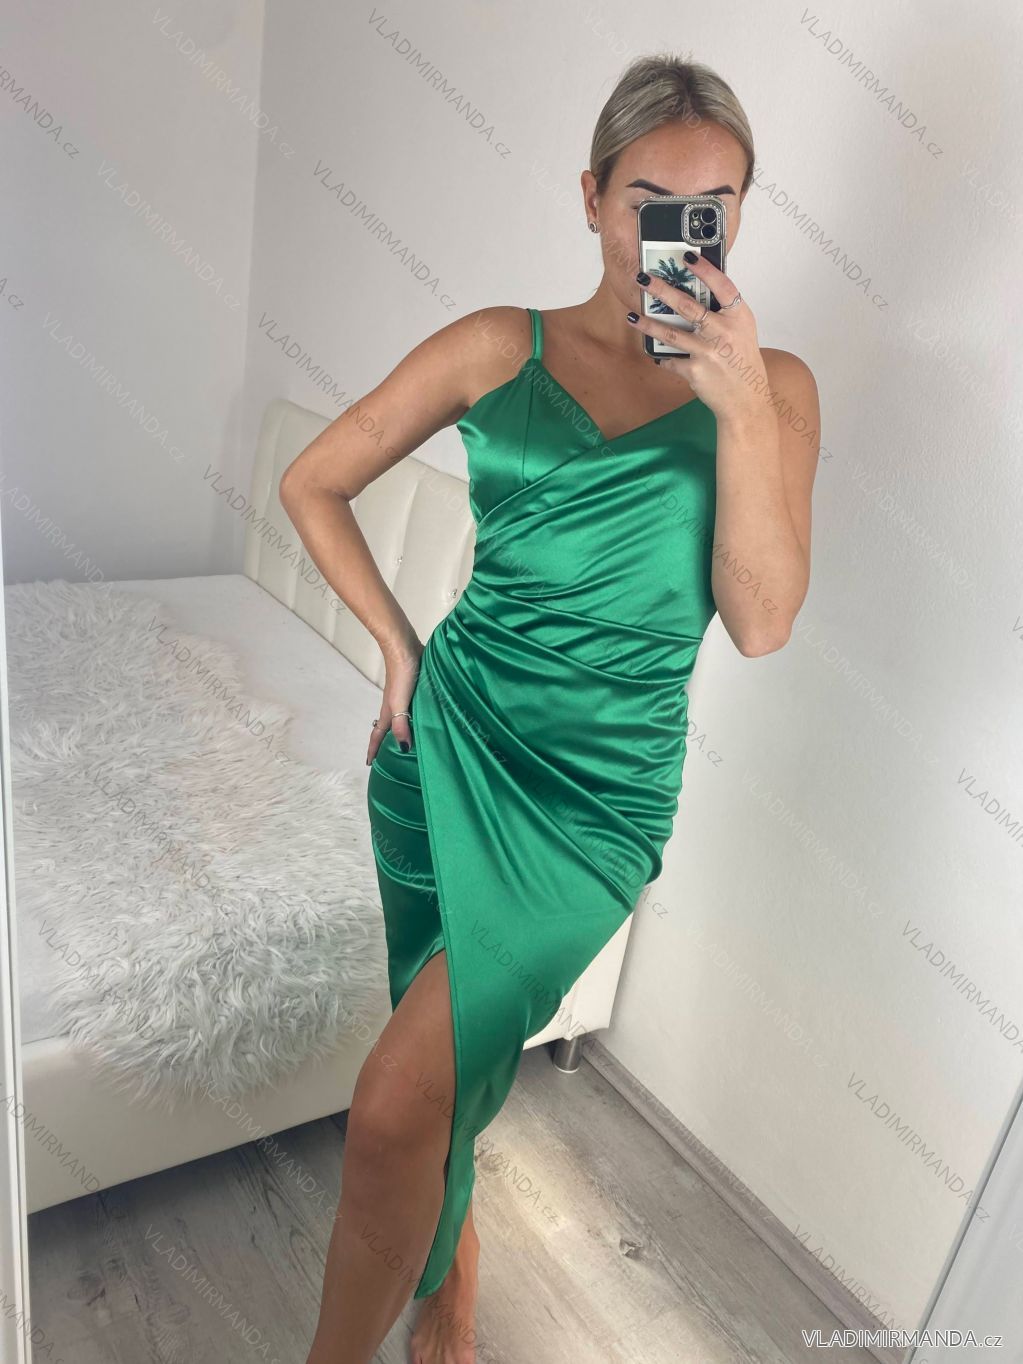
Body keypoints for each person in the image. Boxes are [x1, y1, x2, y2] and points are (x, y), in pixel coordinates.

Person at [283, 50, 820, 1364]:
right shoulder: (497, 345)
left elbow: (761, 620)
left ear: (742, 215)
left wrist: (739, 407)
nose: (681, 235)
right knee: (436, 1073)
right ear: (590, 198)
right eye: (651, 202)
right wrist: (398, 646)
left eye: (713, 208)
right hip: (443, 750)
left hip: (592, 809)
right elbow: (313, 480)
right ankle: (451, 1274)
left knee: (393, 1101)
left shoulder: (780, 389)